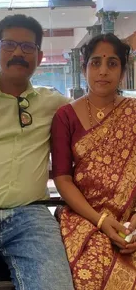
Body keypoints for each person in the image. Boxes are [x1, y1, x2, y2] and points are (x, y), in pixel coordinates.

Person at [0, 14, 74, 290]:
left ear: (40, 56)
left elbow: (94, 119)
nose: (18, 53)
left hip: (31, 218)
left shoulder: (55, 103)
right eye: (9, 45)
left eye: (28, 47)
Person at [51, 33, 136, 289]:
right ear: (84, 66)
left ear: (121, 71)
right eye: (96, 62)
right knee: (89, 271)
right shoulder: (65, 116)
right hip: (83, 216)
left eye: (112, 63)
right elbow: (63, 178)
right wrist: (99, 221)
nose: (103, 71)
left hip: (130, 216)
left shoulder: (133, 112)